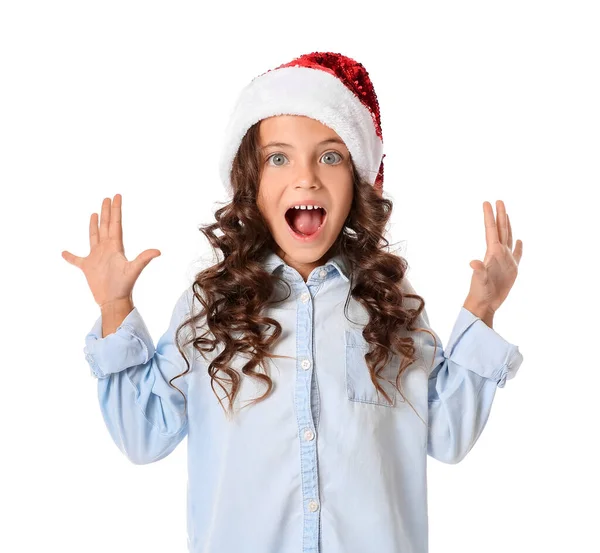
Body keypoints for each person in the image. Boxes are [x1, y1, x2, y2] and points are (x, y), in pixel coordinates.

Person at [62, 51, 524, 553]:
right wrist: (114, 306)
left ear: (358, 183)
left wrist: (483, 308)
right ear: (252, 183)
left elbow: (448, 436)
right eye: (278, 158)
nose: (306, 178)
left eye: (330, 156)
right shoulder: (209, 304)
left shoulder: (391, 302)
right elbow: (144, 435)